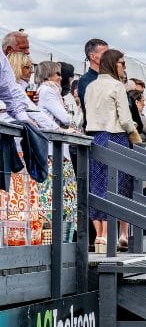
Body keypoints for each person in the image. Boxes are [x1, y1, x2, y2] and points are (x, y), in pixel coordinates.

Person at [84, 49, 141, 252]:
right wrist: (135, 134)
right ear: (114, 64)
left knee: (97, 185)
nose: (124, 67)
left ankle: (100, 236)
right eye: (122, 63)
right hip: (116, 137)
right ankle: (111, 236)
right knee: (118, 186)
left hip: (95, 137)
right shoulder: (117, 86)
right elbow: (125, 120)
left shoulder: (90, 86)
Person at [35, 61, 78, 240]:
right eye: (57, 74)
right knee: (61, 198)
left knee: (56, 197)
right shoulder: (48, 91)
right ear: (48, 75)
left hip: (52, 150)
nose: (61, 78)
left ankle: (58, 239)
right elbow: (65, 118)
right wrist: (67, 122)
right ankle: (60, 240)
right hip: (55, 151)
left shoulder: (43, 91)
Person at [77, 38, 108, 125]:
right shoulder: (86, 81)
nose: (109, 57)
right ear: (92, 56)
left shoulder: (110, 78)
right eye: (105, 54)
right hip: (96, 131)